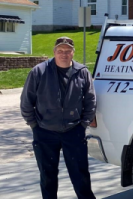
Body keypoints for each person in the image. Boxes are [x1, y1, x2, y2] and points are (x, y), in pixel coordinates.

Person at [20, 36, 96, 199]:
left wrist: (83, 124)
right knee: (48, 177)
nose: (64, 54)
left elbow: (90, 99)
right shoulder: (39, 71)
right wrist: (34, 125)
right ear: (54, 52)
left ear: (73, 53)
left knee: (81, 176)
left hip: (74, 131)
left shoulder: (82, 72)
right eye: (60, 50)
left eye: (68, 51)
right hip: (44, 132)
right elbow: (27, 102)